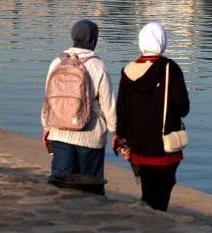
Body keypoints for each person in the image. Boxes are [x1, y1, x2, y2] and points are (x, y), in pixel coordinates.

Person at [114, 22, 189, 211]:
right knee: (162, 191)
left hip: (137, 147)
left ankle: (148, 219)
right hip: (164, 148)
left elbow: (121, 110)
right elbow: (183, 108)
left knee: (148, 190)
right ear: (162, 41)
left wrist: (120, 137)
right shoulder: (170, 69)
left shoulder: (128, 71)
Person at [41, 20, 116, 185]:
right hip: (90, 136)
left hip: (60, 132)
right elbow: (108, 104)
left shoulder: (57, 62)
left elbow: (49, 98)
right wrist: (115, 131)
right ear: (93, 39)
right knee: (90, 188)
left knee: (60, 186)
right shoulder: (98, 66)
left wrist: (47, 126)